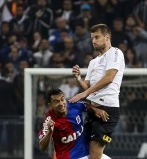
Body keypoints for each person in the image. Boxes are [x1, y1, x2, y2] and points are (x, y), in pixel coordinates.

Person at [70, 24, 125, 159]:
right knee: (86, 152)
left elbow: (109, 78)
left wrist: (84, 94)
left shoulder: (115, 53)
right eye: (92, 38)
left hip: (107, 111)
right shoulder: (93, 62)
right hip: (93, 110)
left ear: (107, 37)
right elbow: (87, 87)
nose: (94, 41)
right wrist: (78, 78)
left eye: (97, 37)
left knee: (95, 154)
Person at [39, 88, 111, 159]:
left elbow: (85, 105)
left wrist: (95, 110)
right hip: (69, 157)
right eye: (56, 101)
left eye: (62, 99)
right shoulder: (49, 120)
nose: (61, 103)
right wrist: (49, 132)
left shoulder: (73, 105)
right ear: (50, 105)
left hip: (87, 152)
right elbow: (42, 147)